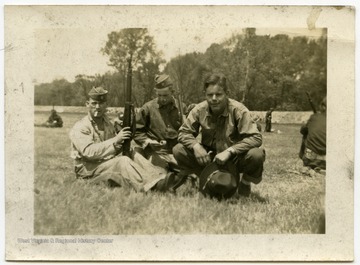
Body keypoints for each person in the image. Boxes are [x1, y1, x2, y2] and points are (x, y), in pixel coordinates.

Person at [69, 86, 184, 193]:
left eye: (101, 103)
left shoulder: (108, 123)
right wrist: (116, 140)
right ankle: (152, 186)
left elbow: (111, 149)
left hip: (104, 164)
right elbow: (89, 152)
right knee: (122, 160)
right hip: (88, 170)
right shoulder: (81, 126)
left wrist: (123, 142)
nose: (97, 107)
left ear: (106, 105)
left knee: (134, 151)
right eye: (94, 103)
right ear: (87, 104)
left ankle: (160, 177)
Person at [173, 73, 266, 198]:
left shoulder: (239, 110)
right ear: (204, 93)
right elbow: (183, 132)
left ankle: (245, 182)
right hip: (208, 158)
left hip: (234, 158)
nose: (214, 98)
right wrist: (196, 146)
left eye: (219, 94)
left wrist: (230, 151)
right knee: (178, 150)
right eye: (210, 95)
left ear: (227, 93)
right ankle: (203, 177)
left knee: (256, 154)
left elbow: (256, 137)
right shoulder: (199, 109)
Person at [134, 74, 186, 171]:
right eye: (159, 95)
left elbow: (189, 131)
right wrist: (147, 141)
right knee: (159, 170)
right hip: (155, 152)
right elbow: (137, 131)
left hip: (176, 151)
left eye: (166, 95)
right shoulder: (148, 108)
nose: (162, 99)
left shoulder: (181, 108)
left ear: (172, 92)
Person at [300, 97, 326, 170]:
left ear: (323, 107)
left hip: (310, 159)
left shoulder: (314, 117)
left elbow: (302, 130)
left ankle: (309, 158)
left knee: (306, 133)